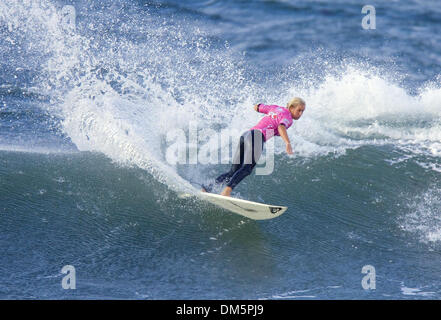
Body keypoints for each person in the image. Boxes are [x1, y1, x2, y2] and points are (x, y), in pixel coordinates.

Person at [202, 97, 306, 197]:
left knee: (233, 171)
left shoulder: (275, 108)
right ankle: (226, 192)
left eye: (302, 111)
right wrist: (287, 143)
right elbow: (281, 126)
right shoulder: (287, 117)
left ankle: (207, 188)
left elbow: (257, 107)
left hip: (246, 135)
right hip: (256, 137)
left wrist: (264, 111)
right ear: (291, 107)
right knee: (247, 169)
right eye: (299, 110)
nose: (300, 114)